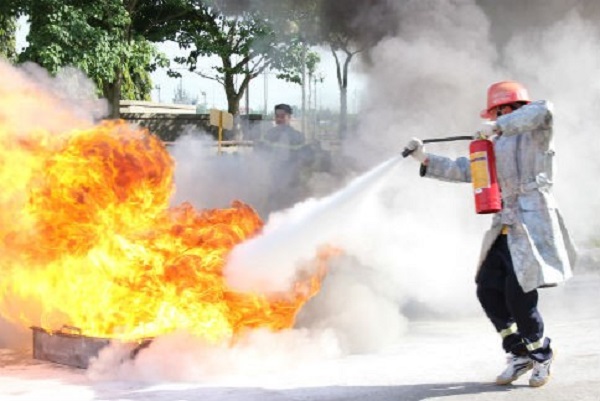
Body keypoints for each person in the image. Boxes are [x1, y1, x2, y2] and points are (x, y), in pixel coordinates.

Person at [404, 80, 576, 388]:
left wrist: (499, 126)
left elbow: (545, 110)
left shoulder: (537, 131)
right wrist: (425, 159)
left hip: (532, 223)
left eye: (500, 111)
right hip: (505, 225)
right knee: (488, 289)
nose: (496, 117)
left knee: (519, 294)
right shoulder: (495, 144)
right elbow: (467, 169)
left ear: (513, 108)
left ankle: (541, 354)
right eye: (495, 113)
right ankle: (519, 353)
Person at [255, 104, 329, 212]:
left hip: (292, 183)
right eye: (277, 116)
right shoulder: (269, 134)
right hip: (274, 181)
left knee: (289, 210)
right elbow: (260, 152)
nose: (279, 119)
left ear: (289, 117)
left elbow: (308, 159)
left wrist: (314, 151)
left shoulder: (297, 136)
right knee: (272, 210)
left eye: (282, 116)